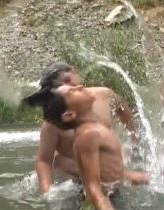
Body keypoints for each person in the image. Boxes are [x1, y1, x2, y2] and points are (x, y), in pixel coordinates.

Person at [28, 84, 149, 210]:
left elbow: (115, 174)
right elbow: (93, 186)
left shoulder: (94, 129)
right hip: (107, 205)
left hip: (115, 196)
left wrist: (160, 178)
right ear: (69, 114)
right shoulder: (87, 136)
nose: (79, 86)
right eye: (72, 91)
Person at [24, 63, 137, 194]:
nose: (69, 86)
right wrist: (48, 192)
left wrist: (134, 141)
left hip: (110, 172)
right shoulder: (53, 124)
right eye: (61, 86)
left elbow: (125, 112)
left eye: (68, 79)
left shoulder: (104, 95)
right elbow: (44, 160)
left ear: (75, 72)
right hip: (75, 180)